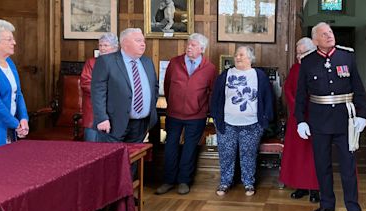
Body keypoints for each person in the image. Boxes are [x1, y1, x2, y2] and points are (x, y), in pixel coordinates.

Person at [295, 22, 366, 211]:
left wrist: (362, 115)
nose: (329, 36)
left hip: (345, 120)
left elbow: (359, 89)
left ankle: (353, 208)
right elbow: (301, 95)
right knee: (322, 165)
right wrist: (301, 120)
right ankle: (327, 204)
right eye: (324, 34)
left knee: (348, 166)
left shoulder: (347, 56)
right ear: (315, 40)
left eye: (330, 32)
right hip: (319, 121)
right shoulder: (308, 61)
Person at [155, 33, 216, 195]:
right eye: (188, 44)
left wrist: (204, 110)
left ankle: (184, 181)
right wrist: (173, 103)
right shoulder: (174, 63)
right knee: (170, 147)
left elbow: (211, 92)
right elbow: (167, 86)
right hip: (174, 114)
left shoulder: (209, 68)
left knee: (189, 149)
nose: (189, 47)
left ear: (202, 49)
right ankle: (168, 181)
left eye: (193, 45)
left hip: (196, 116)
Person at [210, 46, 273, 196]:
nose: (237, 57)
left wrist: (265, 120)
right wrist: (216, 118)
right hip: (227, 124)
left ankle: (248, 183)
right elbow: (216, 98)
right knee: (226, 154)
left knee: (249, 155)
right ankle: (225, 182)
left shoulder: (259, 76)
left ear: (250, 58)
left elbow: (268, 98)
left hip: (252, 124)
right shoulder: (225, 75)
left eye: (241, 55)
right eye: (236, 55)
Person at [91, 27, 158, 144]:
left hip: (141, 124)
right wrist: (102, 118)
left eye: (143, 41)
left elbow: (154, 88)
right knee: (112, 160)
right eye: (138, 41)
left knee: (134, 159)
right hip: (113, 124)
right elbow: (98, 92)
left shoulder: (147, 62)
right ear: (125, 43)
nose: (143, 44)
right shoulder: (106, 61)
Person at [279, 37, 320, 203]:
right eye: (298, 54)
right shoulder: (295, 68)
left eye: (302, 53)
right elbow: (288, 89)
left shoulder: (320, 67)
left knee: (314, 156)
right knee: (297, 155)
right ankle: (300, 186)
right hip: (297, 118)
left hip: (316, 118)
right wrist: (298, 108)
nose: (299, 57)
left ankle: (316, 189)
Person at [0, 19, 29, 150]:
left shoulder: (9, 63)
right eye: (9, 39)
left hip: (9, 130)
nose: (14, 42)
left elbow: (18, 94)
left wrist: (24, 118)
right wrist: (16, 123)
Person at [80, 33, 118, 142]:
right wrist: (107, 91)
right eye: (100, 45)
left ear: (115, 48)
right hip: (93, 113)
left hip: (114, 114)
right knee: (92, 149)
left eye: (106, 45)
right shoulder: (91, 63)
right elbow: (85, 83)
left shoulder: (120, 63)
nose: (102, 48)